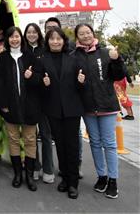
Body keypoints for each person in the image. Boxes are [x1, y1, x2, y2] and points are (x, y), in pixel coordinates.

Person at [73, 23, 125, 199]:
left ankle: (113, 180)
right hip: (88, 108)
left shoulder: (105, 53)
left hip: (107, 107)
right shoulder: (75, 56)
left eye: (88, 32)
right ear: (77, 37)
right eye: (82, 34)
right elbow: (72, 84)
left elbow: (119, 76)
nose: (86, 36)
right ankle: (102, 176)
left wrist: (116, 59)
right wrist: (78, 81)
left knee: (110, 144)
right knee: (95, 143)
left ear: (93, 33)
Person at [39, 27, 85, 199]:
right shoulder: (43, 60)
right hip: (53, 110)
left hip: (72, 110)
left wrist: (81, 82)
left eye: (58, 38)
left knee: (72, 146)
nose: (55, 41)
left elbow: (82, 86)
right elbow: (40, 89)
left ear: (64, 41)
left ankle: (73, 183)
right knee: (59, 145)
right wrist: (44, 84)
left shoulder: (73, 58)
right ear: (47, 41)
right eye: (52, 39)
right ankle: (64, 178)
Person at [0, 26, 41, 191]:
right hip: (10, 106)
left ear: (21, 38)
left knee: (30, 140)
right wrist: (3, 104)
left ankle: (29, 175)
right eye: (11, 37)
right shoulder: (2, 58)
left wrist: (31, 77)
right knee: (13, 139)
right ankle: (17, 174)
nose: (14, 39)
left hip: (29, 106)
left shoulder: (30, 56)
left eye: (17, 36)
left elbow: (39, 80)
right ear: (7, 40)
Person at [24, 23, 55, 184]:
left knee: (46, 135)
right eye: (28, 32)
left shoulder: (45, 50)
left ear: (39, 34)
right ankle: (34, 166)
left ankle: (48, 169)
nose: (31, 35)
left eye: (34, 32)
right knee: (31, 136)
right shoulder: (22, 51)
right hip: (28, 99)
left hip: (44, 99)